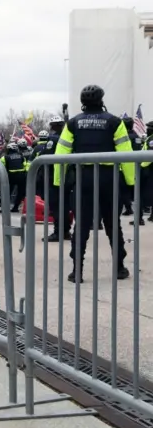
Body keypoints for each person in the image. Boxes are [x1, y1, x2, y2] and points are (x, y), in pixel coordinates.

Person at [54, 84, 133, 283]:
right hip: (108, 177)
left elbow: (61, 154)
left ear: (82, 103)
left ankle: (76, 271)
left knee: (81, 224)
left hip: (84, 177)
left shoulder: (73, 123)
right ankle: (119, 268)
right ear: (101, 101)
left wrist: (59, 180)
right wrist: (131, 181)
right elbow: (126, 154)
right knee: (112, 224)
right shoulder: (114, 122)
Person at [42, 115, 73, 241]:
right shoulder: (69, 137)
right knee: (65, 205)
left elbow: (46, 157)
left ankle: (58, 232)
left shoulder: (53, 139)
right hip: (68, 176)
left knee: (56, 206)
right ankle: (65, 231)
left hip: (54, 176)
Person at [1, 142, 28, 212]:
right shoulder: (22, 156)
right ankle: (15, 207)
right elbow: (25, 165)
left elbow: (0, 166)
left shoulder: (5, 157)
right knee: (20, 193)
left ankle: (5, 208)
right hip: (22, 176)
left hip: (10, 177)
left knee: (7, 192)